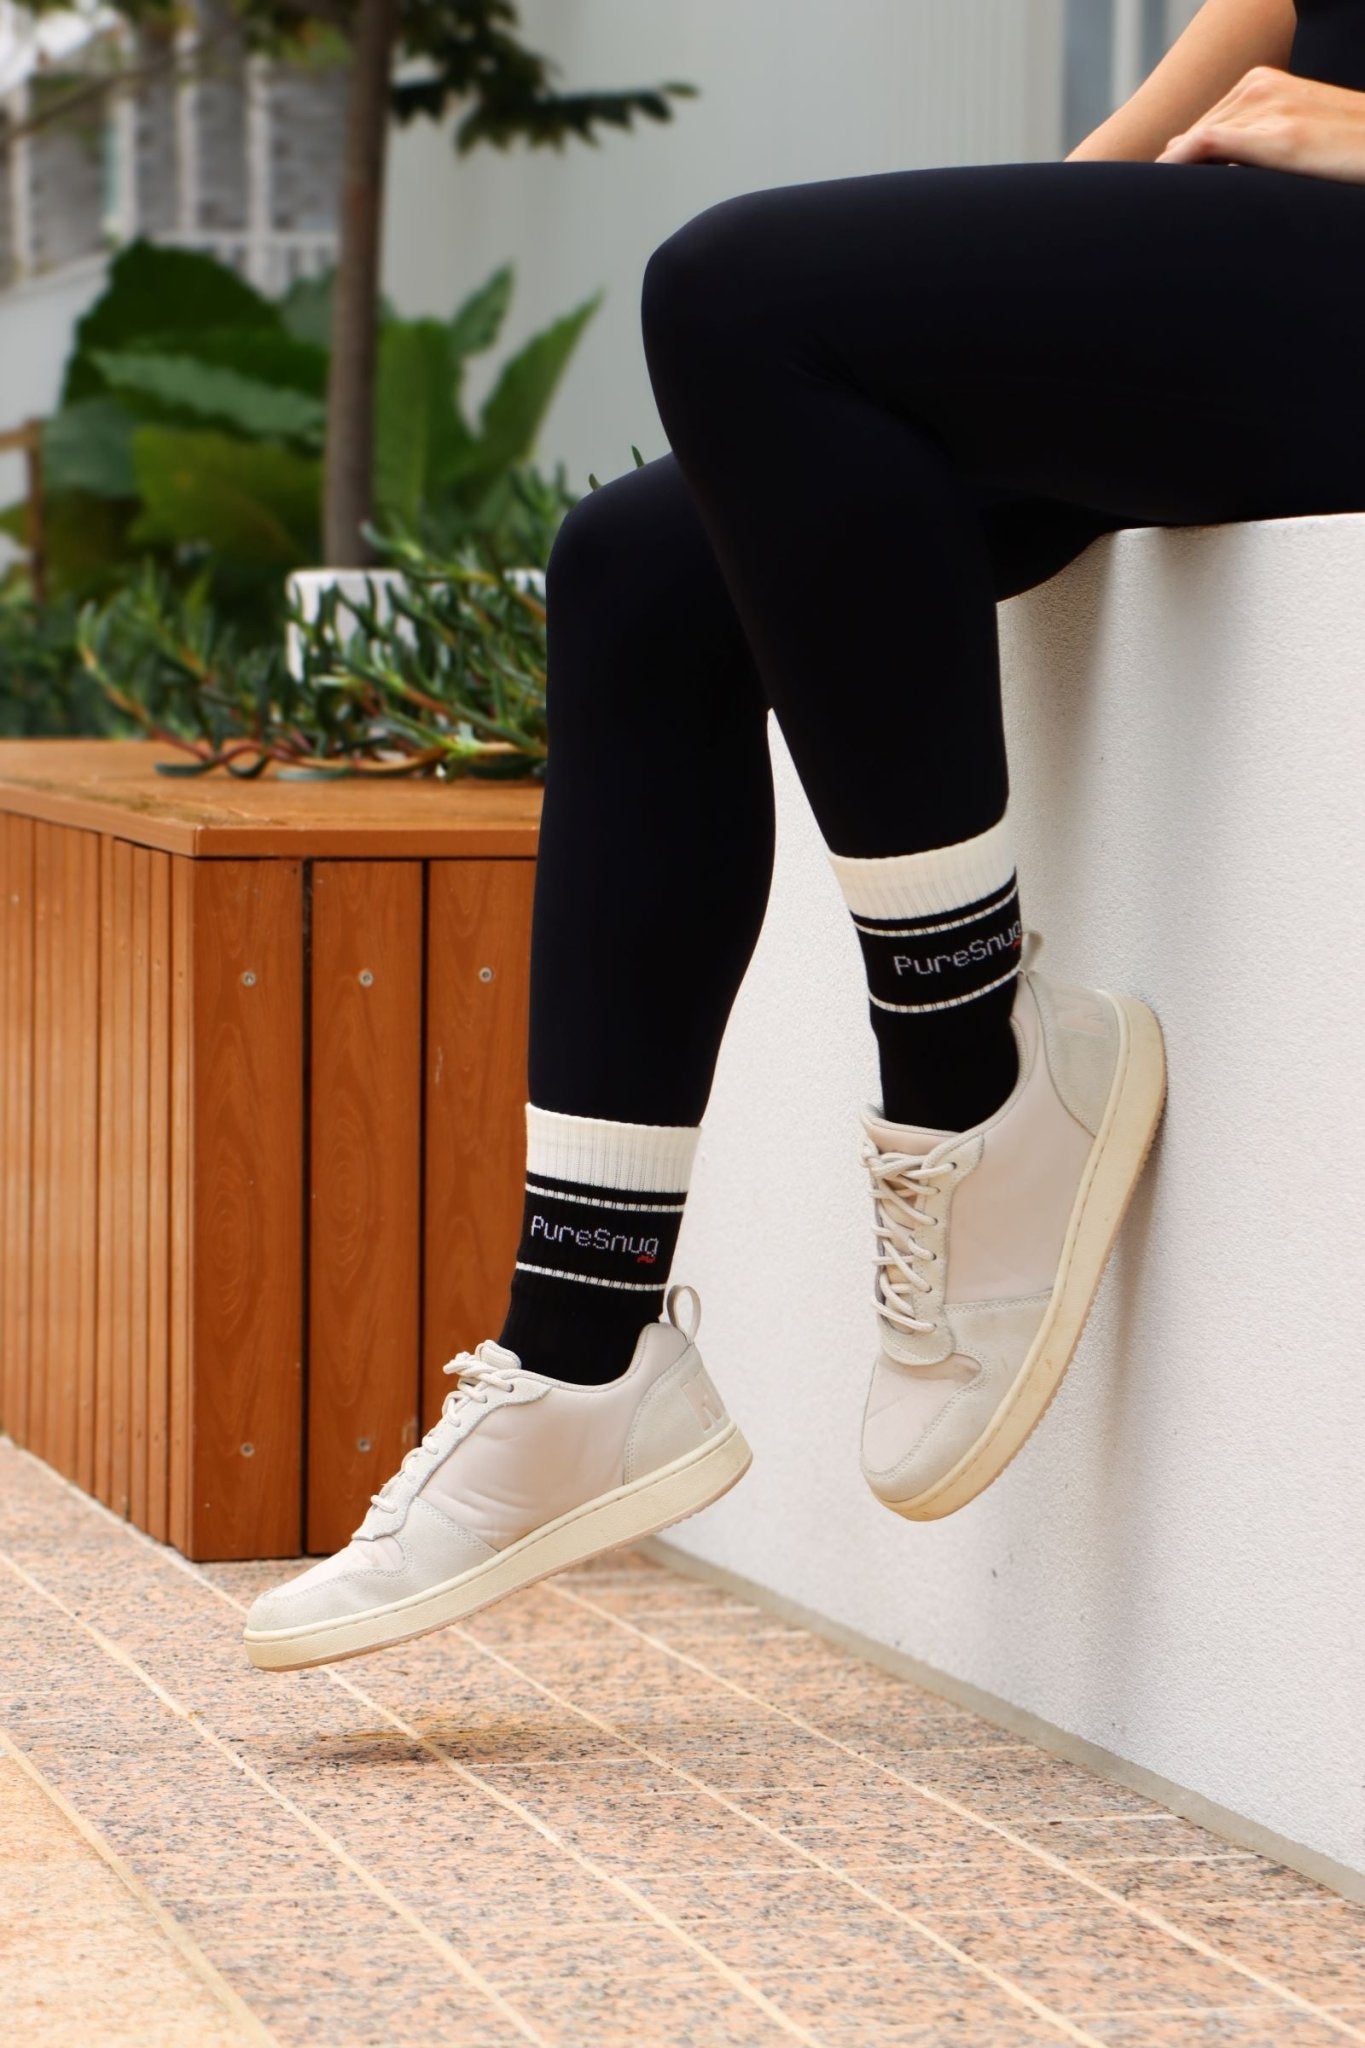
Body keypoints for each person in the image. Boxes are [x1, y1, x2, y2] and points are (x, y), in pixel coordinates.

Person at [245, 0, 1365, 1671]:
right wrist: (1069, 230)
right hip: (1266, 232)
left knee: (735, 287)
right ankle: (582, 1346)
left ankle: (963, 1068)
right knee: (638, 572)